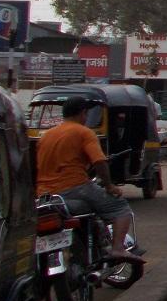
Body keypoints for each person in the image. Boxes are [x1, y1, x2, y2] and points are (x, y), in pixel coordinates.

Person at [35, 97, 143, 267]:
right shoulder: (84, 132)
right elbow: (99, 161)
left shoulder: (46, 136)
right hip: (75, 187)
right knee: (120, 206)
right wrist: (109, 186)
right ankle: (117, 248)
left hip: (45, 195)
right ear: (83, 113)